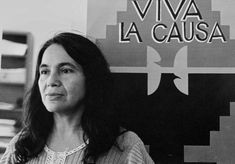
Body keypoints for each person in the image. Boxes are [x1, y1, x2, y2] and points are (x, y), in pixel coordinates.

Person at [0, 32, 154, 164]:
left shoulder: (124, 147)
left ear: (91, 78)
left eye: (66, 70)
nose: (51, 81)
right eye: (45, 71)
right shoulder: (21, 146)